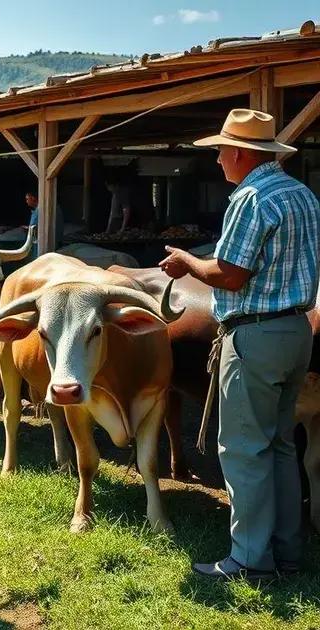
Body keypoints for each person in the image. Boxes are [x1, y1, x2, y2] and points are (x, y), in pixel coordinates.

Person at [159, 109, 320, 581]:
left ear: (240, 153)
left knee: (244, 449)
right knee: (281, 444)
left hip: (256, 334)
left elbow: (230, 274)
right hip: (295, 331)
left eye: (220, 151)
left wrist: (188, 261)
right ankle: (288, 551)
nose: (217, 161)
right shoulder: (302, 194)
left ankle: (249, 560)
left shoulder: (250, 197)